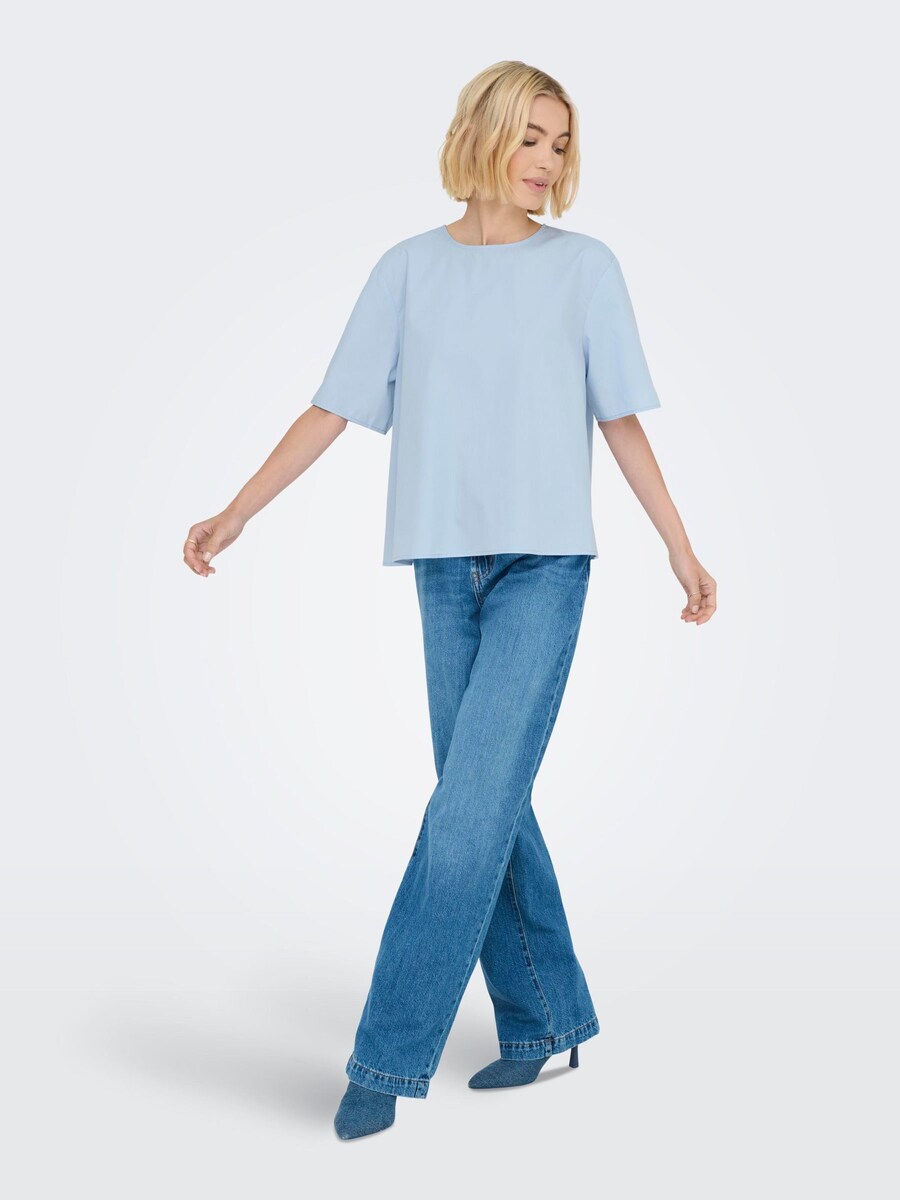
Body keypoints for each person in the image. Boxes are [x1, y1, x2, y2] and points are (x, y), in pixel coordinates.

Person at [183, 60, 717, 1141]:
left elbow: (620, 419)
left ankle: (386, 1059)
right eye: (531, 137)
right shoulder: (407, 270)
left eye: (561, 143)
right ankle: (545, 1017)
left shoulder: (585, 269)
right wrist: (237, 510)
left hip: (544, 570)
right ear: (482, 134)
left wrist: (680, 546)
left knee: (467, 813)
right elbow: (332, 408)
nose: (547, 161)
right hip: (441, 570)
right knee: (488, 802)